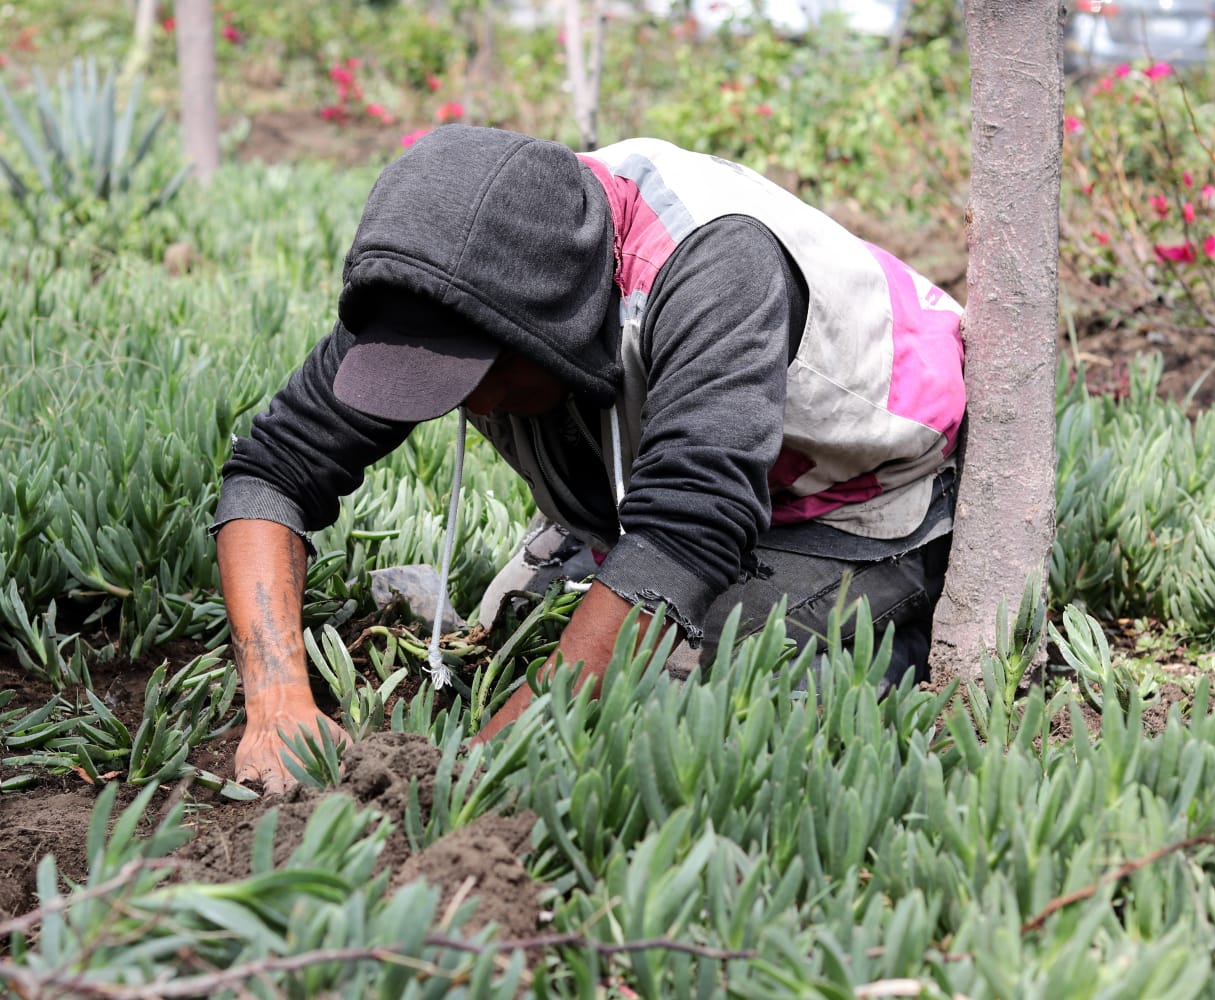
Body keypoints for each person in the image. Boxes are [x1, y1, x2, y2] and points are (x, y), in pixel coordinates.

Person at [214, 124, 965, 794]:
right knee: (532, 636)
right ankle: (600, 543)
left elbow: (685, 531)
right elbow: (275, 468)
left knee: (684, 707)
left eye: (481, 378)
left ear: (557, 326)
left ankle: (887, 617)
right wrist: (277, 701)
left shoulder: (716, 265)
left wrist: (480, 770)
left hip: (856, 490)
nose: (473, 409)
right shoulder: (441, 273)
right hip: (672, 473)